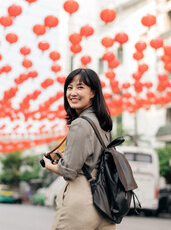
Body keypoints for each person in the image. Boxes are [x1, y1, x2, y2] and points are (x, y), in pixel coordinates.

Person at [43, 68, 115, 230]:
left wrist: (49, 165)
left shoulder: (80, 124)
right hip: (105, 202)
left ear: (93, 93)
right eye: (69, 88)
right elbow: (92, 159)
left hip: (81, 199)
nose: (73, 93)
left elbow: (69, 171)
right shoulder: (103, 123)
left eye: (80, 87)